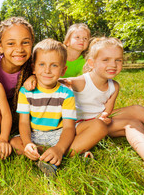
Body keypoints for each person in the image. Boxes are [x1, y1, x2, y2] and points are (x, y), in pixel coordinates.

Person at [10, 39, 107, 176]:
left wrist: (60, 148)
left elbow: (68, 127)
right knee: (14, 142)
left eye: (54, 65)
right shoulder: (25, 92)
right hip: (35, 134)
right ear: (33, 68)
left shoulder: (66, 93)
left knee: (100, 126)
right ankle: (62, 155)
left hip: (60, 134)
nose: (47, 70)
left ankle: (55, 155)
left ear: (63, 70)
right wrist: (27, 143)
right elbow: (24, 122)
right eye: (42, 64)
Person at [69, 37, 144, 182]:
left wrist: (105, 115)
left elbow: (107, 110)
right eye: (106, 60)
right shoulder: (80, 82)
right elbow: (52, 81)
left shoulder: (114, 86)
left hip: (99, 120)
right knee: (130, 123)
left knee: (136, 112)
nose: (113, 65)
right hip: (82, 126)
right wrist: (32, 79)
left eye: (118, 60)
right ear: (91, 63)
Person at [0, 17, 35, 131]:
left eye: (25, 42)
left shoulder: (33, 66)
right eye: (11, 43)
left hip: (16, 107)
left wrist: (34, 77)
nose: (19, 49)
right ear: (0, 47)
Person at [23, 23, 91, 90]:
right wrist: (33, 77)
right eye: (77, 37)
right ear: (67, 41)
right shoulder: (57, 54)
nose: (82, 40)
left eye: (85, 38)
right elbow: (42, 69)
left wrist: (67, 81)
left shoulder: (85, 62)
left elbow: (85, 80)